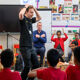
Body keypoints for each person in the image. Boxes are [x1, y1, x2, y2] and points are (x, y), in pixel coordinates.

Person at [19, 4, 41, 80]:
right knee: (27, 66)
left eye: (33, 13)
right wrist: (25, 7)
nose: (32, 14)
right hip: (24, 47)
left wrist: (34, 9)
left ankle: (30, 79)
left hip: (31, 47)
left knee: (36, 64)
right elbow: (21, 14)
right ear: (26, 12)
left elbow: (39, 17)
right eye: (31, 12)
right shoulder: (23, 19)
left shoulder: (31, 20)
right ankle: (22, 78)